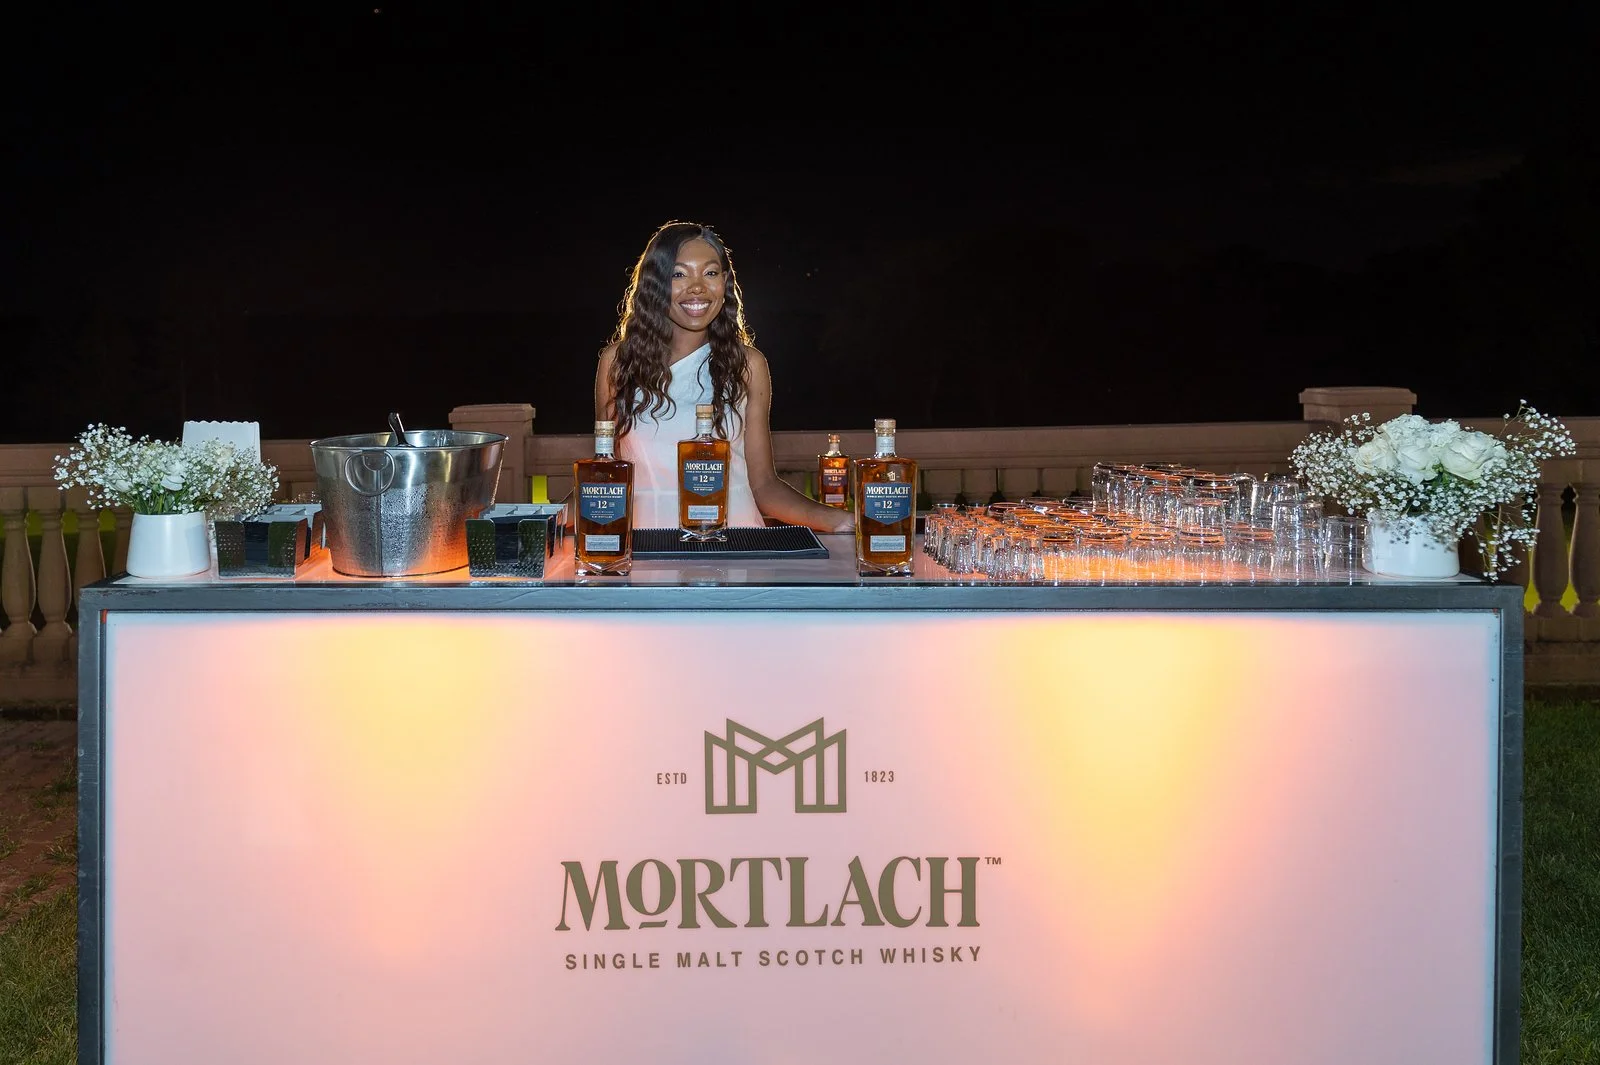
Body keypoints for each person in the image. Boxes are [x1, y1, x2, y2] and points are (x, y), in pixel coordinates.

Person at [594, 220, 855, 534]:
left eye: (710, 272)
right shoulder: (619, 363)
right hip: (649, 549)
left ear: (725, 282)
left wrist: (840, 520)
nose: (697, 287)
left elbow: (764, 486)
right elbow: (604, 477)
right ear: (655, 283)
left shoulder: (748, 364)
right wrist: (542, 519)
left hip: (738, 549)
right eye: (679, 274)